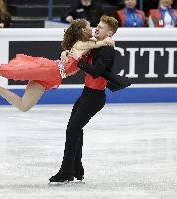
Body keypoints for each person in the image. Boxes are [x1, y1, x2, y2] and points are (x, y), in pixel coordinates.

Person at [0, 19, 114, 112]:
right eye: (89, 27)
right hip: (52, 70)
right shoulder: (83, 43)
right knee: (10, 71)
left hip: (54, 76)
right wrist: (108, 40)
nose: (92, 29)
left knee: (24, 106)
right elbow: (97, 45)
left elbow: (85, 49)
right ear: (82, 31)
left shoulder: (85, 42)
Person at [49, 16, 131, 184]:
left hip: (95, 98)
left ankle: (66, 172)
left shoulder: (107, 50)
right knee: (75, 129)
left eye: (101, 28)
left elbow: (95, 71)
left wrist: (78, 60)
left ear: (109, 33)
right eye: (97, 26)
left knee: (73, 129)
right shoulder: (93, 43)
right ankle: (76, 170)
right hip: (86, 94)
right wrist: (65, 53)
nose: (96, 29)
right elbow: (72, 50)